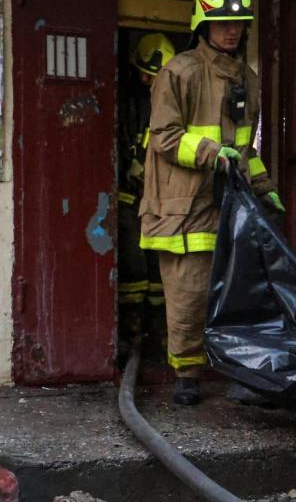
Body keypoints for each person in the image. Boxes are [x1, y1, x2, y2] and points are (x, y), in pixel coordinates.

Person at [139, 0, 284, 406]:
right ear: (202, 25)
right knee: (189, 292)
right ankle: (187, 374)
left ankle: (233, 366)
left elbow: (245, 148)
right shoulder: (179, 72)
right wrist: (210, 152)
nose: (231, 30)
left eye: (238, 23)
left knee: (236, 292)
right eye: (221, 22)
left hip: (230, 205)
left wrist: (264, 186)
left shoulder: (249, 80)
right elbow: (163, 136)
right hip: (183, 207)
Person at [117, 33, 174, 361]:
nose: (147, 81)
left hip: (162, 201)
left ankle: (158, 330)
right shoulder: (129, 101)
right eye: (144, 74)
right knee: (132, 264)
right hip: (130, 197)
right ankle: (132, 329)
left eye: (153, 76)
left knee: (157, 269)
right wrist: (130, 164)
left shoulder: (173, 103)